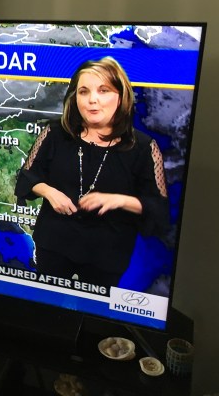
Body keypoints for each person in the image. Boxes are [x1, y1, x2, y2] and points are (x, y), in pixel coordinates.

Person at [15, 56, 169, 290]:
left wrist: (119, 200)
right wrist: (49, 192)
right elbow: (27, 176)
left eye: (103, 90)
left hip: (107, 254)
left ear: (121, 97)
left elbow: (159, 208)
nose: (92, 100)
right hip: (54, 244)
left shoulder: (142, 147)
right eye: (83, 92)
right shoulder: (56, 134)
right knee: (46, 305)